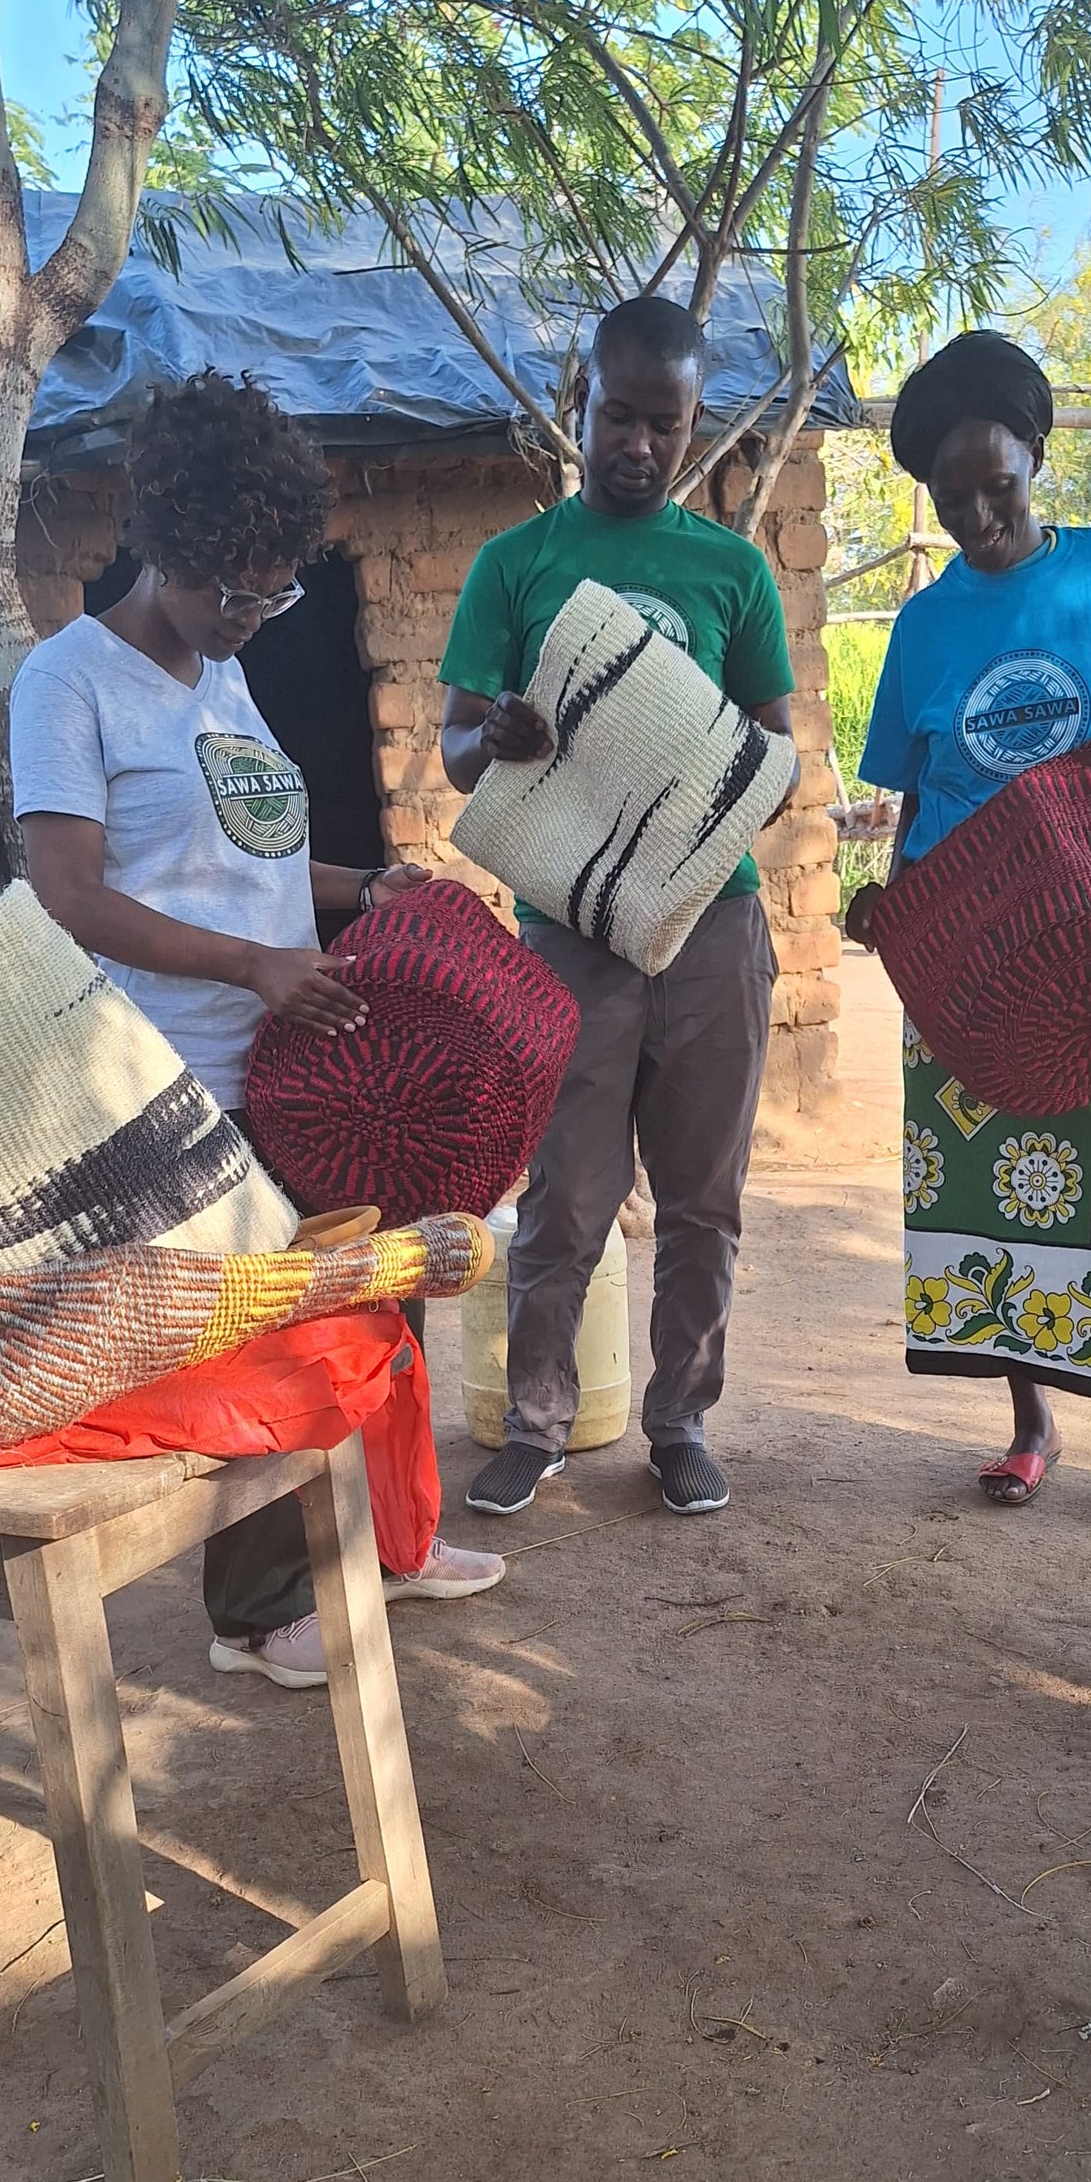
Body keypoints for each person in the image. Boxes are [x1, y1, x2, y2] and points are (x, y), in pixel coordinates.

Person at [10, 368, 503, 1684]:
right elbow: (68, 895)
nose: (252, 617)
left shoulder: (223, 680)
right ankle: (257, 1612)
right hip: (176, 1075)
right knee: (260, 1330)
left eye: (275, 594)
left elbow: (254, 853)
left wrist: (365, 887)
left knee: (375, 1289)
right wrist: (254, 966)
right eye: (235, 591)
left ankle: (392, 1542)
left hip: (295, 1059)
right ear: (163, 544)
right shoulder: (73, 682)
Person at [850, 331, 1091, 1541]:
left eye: (994, 486)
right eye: (948, 498)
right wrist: (893, 914)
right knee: (991, 1194)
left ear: (1036, 457)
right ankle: (1031, 1426)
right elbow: (915, 799)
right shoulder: (921, 627)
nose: (974, 517)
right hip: (971, 956)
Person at [439, 293, 797, 1519]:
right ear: (578, 401)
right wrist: (494, 737)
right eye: (617, 415)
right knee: (564, 1193)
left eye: (664, 422)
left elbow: (771, 752)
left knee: (702, 1198)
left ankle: (681, 1423)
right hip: (569, 927)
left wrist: (688, 778)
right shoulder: (516, 564)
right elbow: (454, 753)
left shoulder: (731, 570)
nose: (638, 443)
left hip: (712, 918)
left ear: (694, 422)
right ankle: (535, 1425)